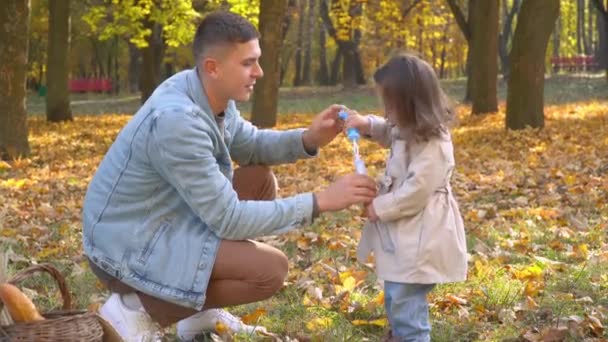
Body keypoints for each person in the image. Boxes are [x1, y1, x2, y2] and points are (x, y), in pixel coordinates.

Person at [82, 11, 377, 342]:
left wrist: (308, 139)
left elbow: (249, 146)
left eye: (258, 60)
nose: (259, 72)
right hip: (125, 248)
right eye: (248, 63)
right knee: (269, 272)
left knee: (257, 179)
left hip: (164, 220)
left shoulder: (207, 91)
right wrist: (320, 202)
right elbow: (229, 219)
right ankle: (135, 308)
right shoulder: (177, 121)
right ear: (213, 67)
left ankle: (195, 316)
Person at [344, 53, 468, 342]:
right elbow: (391, 132)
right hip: (408, 235)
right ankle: (400, 334)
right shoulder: (409, 127)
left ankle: (409, 336)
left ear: (411, 103)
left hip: (424, 237)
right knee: (396, 292)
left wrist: (380, 207)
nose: (386, 111)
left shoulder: (433, 143)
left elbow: (416, 192)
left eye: (390, 104)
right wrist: (367, 124)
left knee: (405, 298)